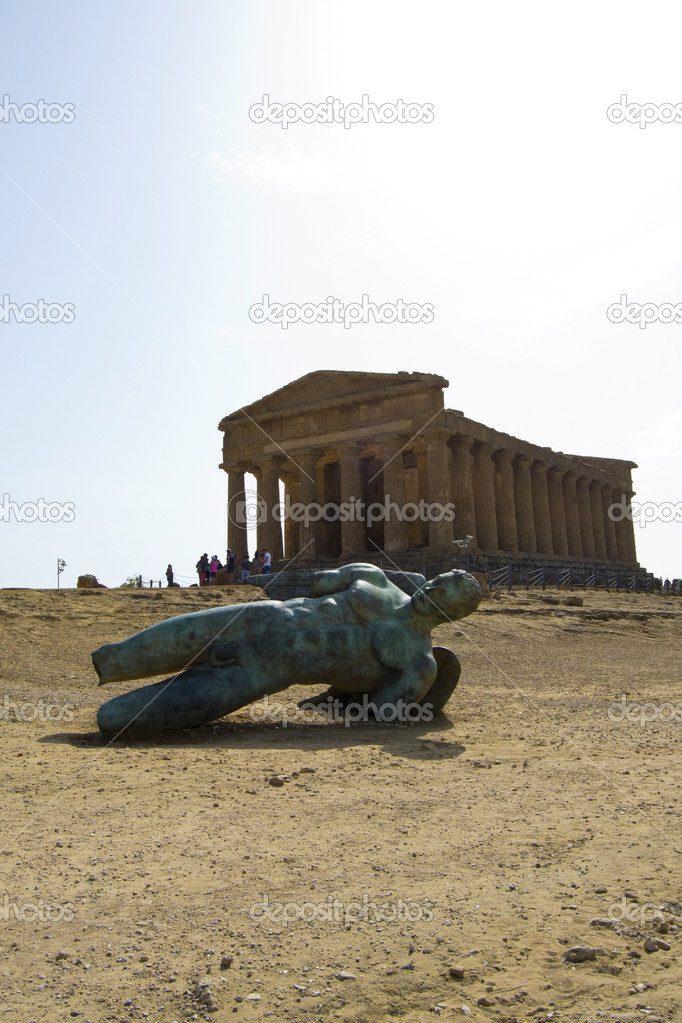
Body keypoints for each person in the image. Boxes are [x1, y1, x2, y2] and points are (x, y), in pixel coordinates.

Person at [93, 564, 482, 735]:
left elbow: (381, 713)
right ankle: (111, 665)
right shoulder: (373, 578)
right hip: (259, 618)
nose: (430, 591)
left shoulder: (418, 663)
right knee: (117, 657)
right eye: (436, 582)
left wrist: (416, 695)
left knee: (115, 719)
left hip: (267, 673)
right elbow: (313, 584)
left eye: (442, 597)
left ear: (454, 616)